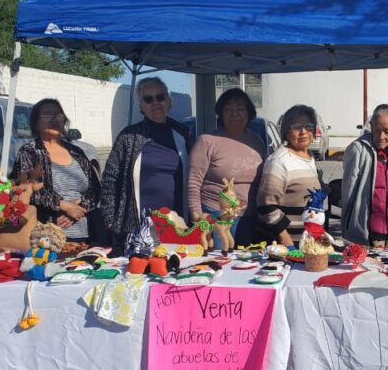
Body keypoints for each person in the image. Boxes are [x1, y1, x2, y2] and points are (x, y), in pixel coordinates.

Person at [101, 77, 192, 255]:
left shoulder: (183, 133)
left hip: (177, 223)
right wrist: (110, 219)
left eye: (160, 97)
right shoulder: (129, 136)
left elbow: (194, 175)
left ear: (169, 101)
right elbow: (110, 180)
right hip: (138, 225)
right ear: (141, 106)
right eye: (148, 99)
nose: (155, 103)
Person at [10, 98, 100, 243]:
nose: (54, 119)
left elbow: (95, 189)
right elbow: (24, 188)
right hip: (45, 234)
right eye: (47, 115)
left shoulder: (77, 152)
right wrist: (63, 205)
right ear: (36, 123)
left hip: (83, 233)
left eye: (58, 115)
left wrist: (78, 208)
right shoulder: (30, 152)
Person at [188, 88, 267, 248]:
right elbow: (193, 183)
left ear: (249, 113)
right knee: (218, 262)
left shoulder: (257, 141)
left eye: (240, 109)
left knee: (247, 265)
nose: (234, 114)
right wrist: (197, 216)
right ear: (221, 113)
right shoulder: (207, 141)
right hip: (216, 215)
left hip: (249, 217)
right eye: (229, 109)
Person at [341, 103, 388, 248]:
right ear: (372, 127)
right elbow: (348, 192)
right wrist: (347, 227)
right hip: (370, 232)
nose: (381, 136)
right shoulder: (358, 150)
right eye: (377, 130)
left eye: (387, 131)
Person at [256, 104, 323, 246]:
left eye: (308, 126)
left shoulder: (310, 158)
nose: (304, 132)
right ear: (286, 131)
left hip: (307, 242)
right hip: (286, 245)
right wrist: (286, 240)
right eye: (297, 126)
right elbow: (266, 206)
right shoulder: (280, 160)